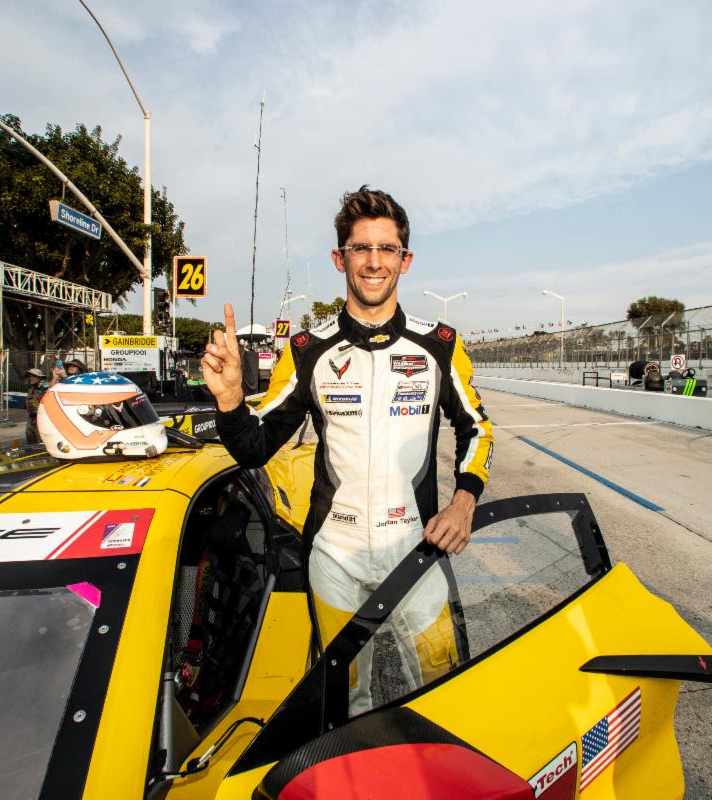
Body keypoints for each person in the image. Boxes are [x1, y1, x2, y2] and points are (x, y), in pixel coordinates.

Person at [201, 185, 493, 713]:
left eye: (386, 249)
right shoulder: (307, 351)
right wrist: (229, 402)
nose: (374, 262)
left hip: (416, 549)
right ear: (341, 259)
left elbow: (475, 427)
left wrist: (464, 500)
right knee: (345, 701)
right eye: (361, 248)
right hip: (333, 555)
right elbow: (254, 445)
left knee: (445, 685)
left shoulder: (439, 345)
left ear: (405, 260)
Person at [24, 367, 47, 444]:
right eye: (30, 376)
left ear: (39, 377)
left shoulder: (45, 387)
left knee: (40, 438)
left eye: (33, 376)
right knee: (30, 435)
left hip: (41, 417)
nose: (31, 378)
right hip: (31, 416)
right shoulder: (32, 388)